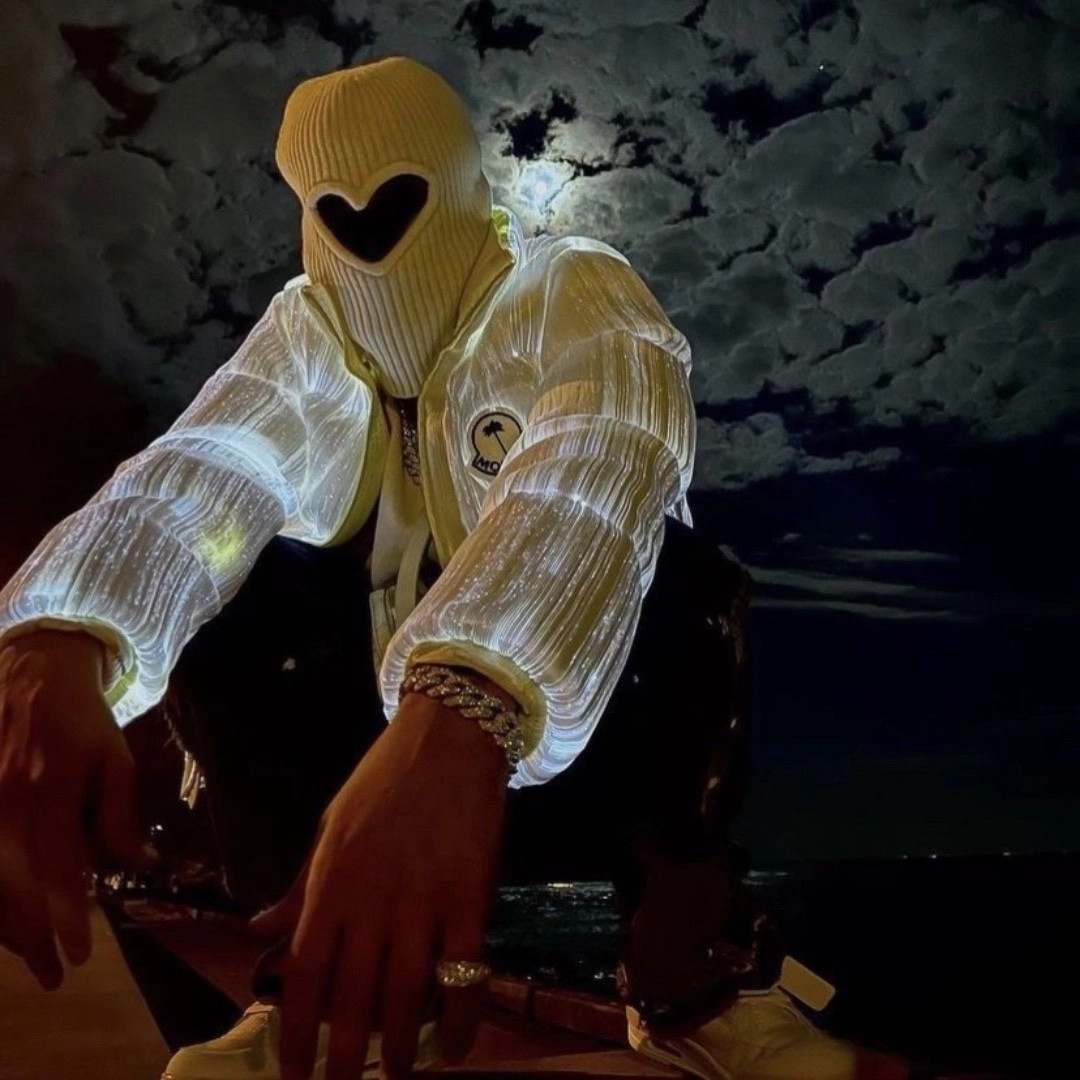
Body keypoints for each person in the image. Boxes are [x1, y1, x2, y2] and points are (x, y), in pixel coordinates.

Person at [0, 56, 903, 1080]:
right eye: (334, 209)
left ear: (470, 187)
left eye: (398, 200)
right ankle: (330, 975)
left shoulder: (571, 283)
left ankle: (688, 971)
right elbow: (209, 465)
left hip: (574, 733)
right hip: (370, 761)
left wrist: (468, 701)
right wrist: (62, 632)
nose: (368, 238)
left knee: (687, 583)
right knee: (234, 592)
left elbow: (603, 455)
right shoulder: (309, 331)